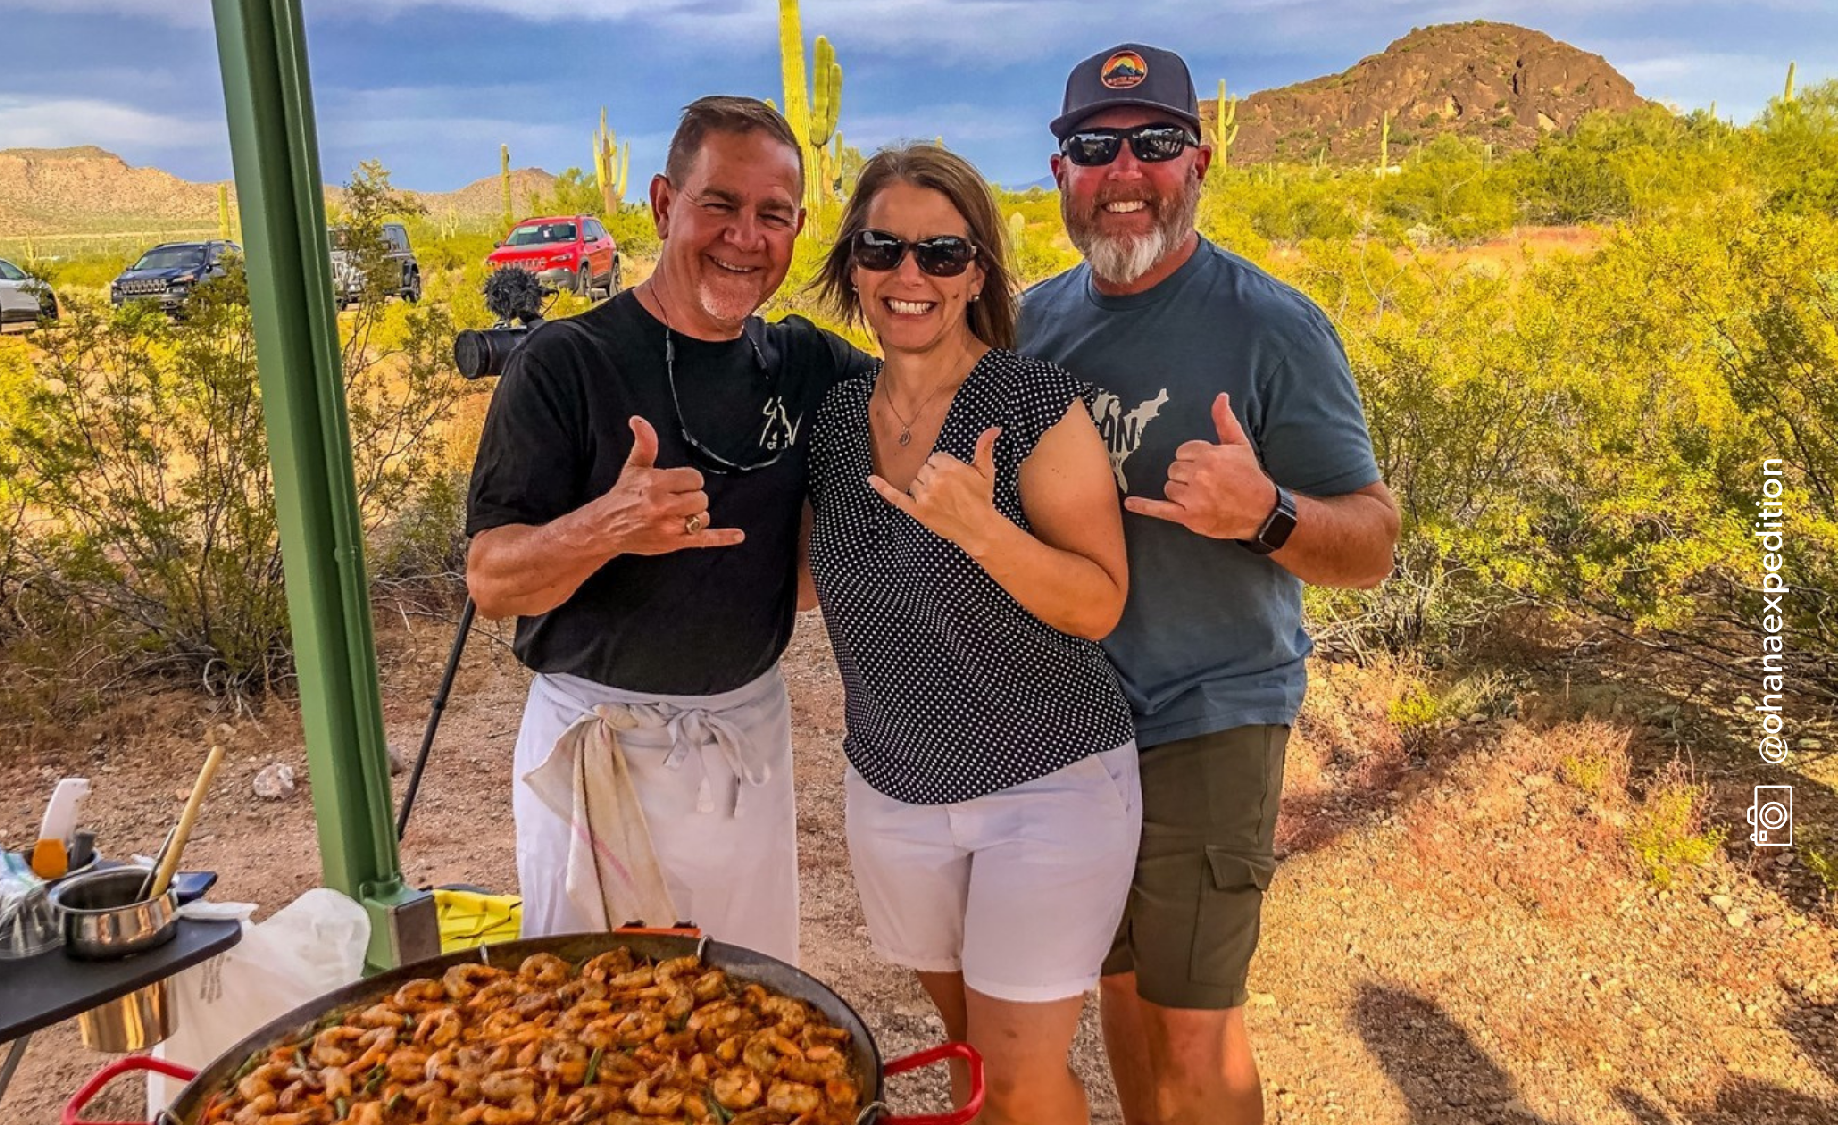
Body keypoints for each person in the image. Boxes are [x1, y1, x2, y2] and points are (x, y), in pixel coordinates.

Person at [1018, 43, 1402, 1125]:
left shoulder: (1268, 324)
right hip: (1065, 723)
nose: (1123, 170)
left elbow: (1370, 542)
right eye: (1094, 146)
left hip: (1207, 708)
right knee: (1121, 988)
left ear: (1199, 163)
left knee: (1195, 1027)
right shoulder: (1034, 323)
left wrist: (1267, 512)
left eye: (1153, 144)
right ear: (1058, 173)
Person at [463, 96, 871, 965]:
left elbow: (935, 388)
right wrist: (604, 527)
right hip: (596, 753)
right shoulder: (565, 364)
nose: (745, 236)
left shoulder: (806, 365)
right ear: (661, 203)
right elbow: (493, 581)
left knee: (751, 1015)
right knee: (591, 1038)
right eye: (719, 203)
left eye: (773, 215)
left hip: (745, 744)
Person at [805, 144, 1142, 1125]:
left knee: (1016, 1079)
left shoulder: (1032, 404)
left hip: (1046, 785)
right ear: (853, 264)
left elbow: (1098, 602)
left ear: (978, 274)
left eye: (941, 254)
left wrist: (983, 532)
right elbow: (803, 585)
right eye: (884, 247)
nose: (909, 275)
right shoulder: (832, 419)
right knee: (972, 1065)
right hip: (894, 790)